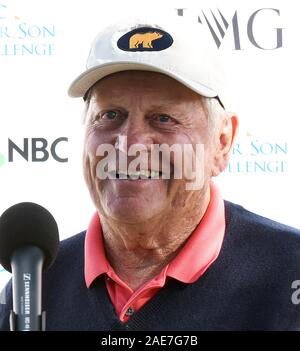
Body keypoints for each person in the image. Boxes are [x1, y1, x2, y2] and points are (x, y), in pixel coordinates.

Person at [1, 14, 300, 331]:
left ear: (222, 142)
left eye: (163, 118)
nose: (130, 144)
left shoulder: (291, 272)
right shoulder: (33, 288)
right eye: (110, 114)